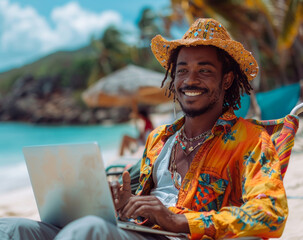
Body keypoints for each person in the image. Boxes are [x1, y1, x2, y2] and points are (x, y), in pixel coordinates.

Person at [0, 18, 291, 240]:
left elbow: (271, 213)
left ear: (227, 81)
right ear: (173, 78)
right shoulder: (160, 139)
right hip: (136, 231)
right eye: (182, 70)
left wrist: (180, 221)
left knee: (89, 231)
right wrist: (119, 202)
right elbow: (139, 194)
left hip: (175, 236)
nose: (191, 80)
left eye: (205, 70)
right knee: (13, 228)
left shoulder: (250, 141)